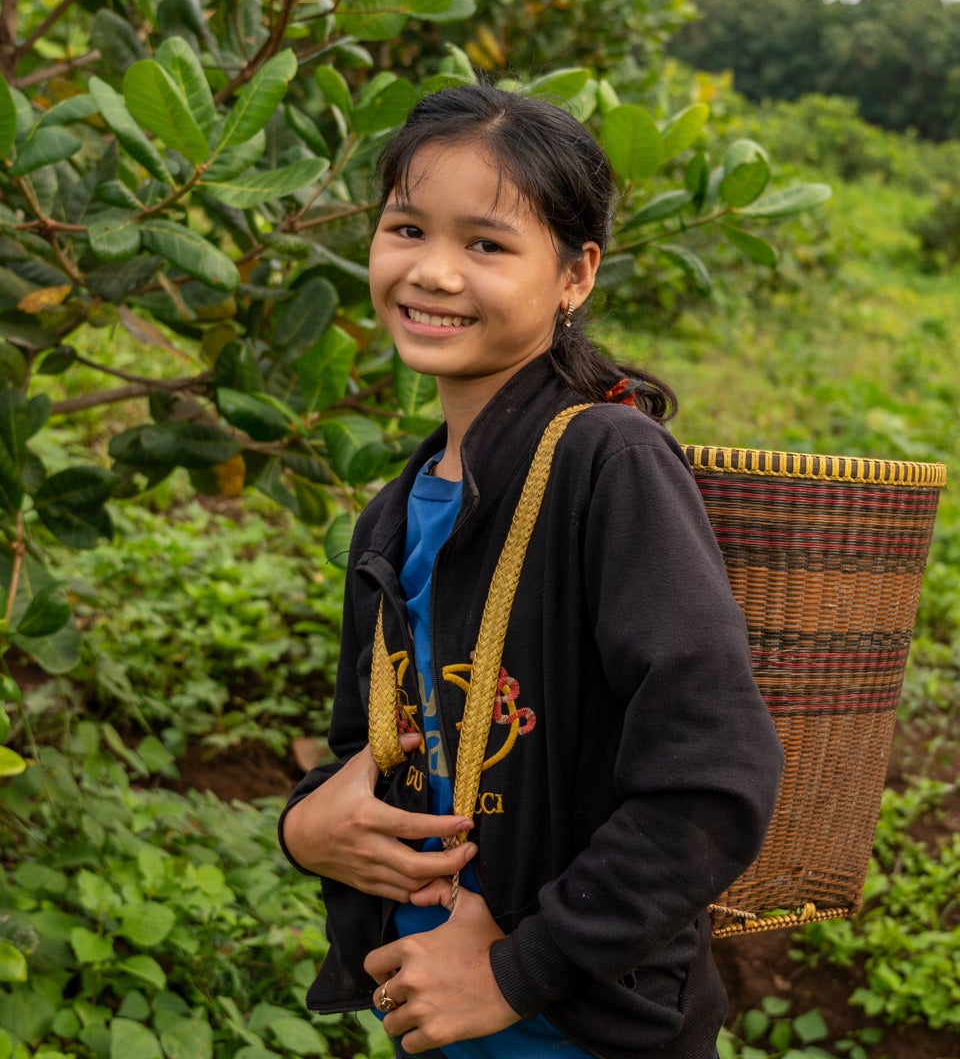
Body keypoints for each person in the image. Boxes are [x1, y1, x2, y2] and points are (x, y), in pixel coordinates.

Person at [276, 83, 784, 1059]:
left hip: (585, 1029)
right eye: (407, 228)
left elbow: (715, 778)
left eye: (486, 244)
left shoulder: (609, 466)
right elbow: (368, 747)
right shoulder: (395, 508)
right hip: (433, 1013)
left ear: (575, 274)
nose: (432, 272)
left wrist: (516, 969)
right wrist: (305, 829)